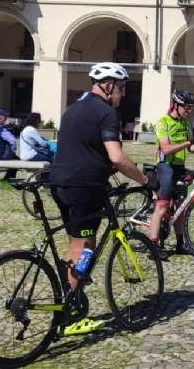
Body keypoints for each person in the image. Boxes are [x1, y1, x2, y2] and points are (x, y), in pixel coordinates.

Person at [48, 62, 152, 336]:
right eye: (121, 88)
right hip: (84, 187)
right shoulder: (106, 113)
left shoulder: (72, 110)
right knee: (86, 248)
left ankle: (69, 294)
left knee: (75, 243)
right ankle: (69, 315)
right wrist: (145, 180)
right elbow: (116, 156)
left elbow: (80, 148)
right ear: (108, 86)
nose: (123, 95)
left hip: (59, 182)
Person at [151, 89, 194, 258]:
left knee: (180, 207)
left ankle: (180, 243)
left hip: (180, 167)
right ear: (176, 105)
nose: (189, 111)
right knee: (162, 207)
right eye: (186, 107)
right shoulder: (163, 123)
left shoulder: (186, 123)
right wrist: (188, 141)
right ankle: (153, 246)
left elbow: (190, 148)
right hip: (165, 167)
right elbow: (166, 149)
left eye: (190, 108)